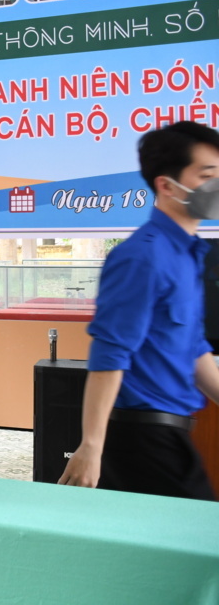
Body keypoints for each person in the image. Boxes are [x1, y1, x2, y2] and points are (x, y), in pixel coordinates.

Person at [59, 121, 219, 500]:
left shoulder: (188, 254)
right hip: (142, 439)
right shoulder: (142, 256)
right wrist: (91, 446)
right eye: (206, 175)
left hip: (173, 435)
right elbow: (110, 353)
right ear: (167, 185)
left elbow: (193, 347)